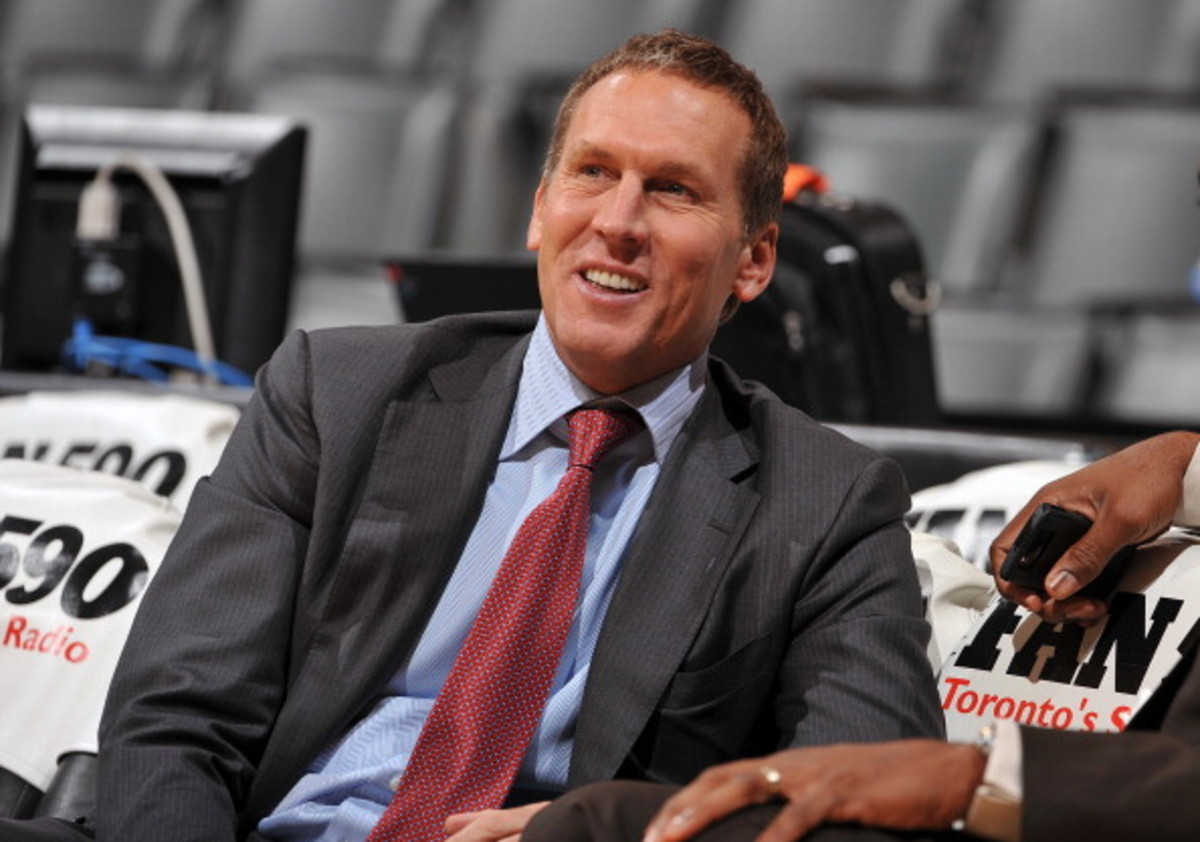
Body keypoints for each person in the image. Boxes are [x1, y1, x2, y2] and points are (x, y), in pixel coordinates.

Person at [1, 30, 942, 842]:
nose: (617, 223)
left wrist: (613, 831)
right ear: (540, 210)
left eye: (673, 191)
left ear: (755, 259)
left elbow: (860, 804)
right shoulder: (336, 393)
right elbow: (174, 723)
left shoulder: (825, 505)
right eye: (593, 174)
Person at [522, 430, 1200, 842]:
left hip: (1088, 802)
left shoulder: (834, 492)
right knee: (594, 823)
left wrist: (976, 775)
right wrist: (1185, 463)